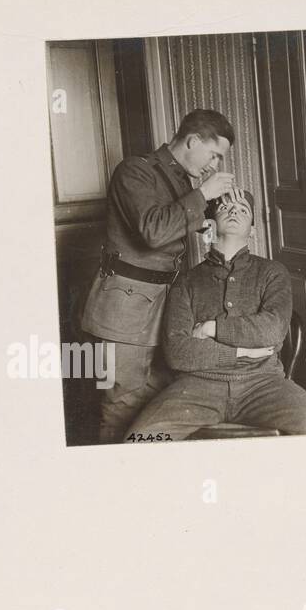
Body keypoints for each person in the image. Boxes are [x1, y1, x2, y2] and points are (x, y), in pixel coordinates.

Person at [81, 109, 239, 443]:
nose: (215, 165)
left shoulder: (179, 179)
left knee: (154, 399)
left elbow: (178, 216)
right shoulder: (135, 171)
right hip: (124, 310)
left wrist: (219, 207)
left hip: (160, 305)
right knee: (121, 403)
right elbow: (152, 231)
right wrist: (203, 196)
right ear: (193, 141)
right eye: (214, 155)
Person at [124, 190, 306, 441]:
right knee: (139, 439)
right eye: (225, 208)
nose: (234, 211)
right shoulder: (187, 281)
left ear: (253, 232)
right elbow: (177, 353)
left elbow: (273, 331)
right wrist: (241, 352)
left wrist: (211, 328)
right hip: (197, 386)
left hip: (262, 382)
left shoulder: (272, 272)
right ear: (209, 225)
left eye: (243, 209)